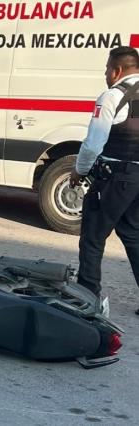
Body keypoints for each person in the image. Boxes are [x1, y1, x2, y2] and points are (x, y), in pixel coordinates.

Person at [69, 46, 139, 314]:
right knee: (133, 235)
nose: (106, 74)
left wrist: (80, 170)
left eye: (107, 69)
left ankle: (87, 298)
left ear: (117, 70)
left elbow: (93, 143)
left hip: (114, 178)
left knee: (92, 237)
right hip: (136, 180)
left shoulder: (113, 96)